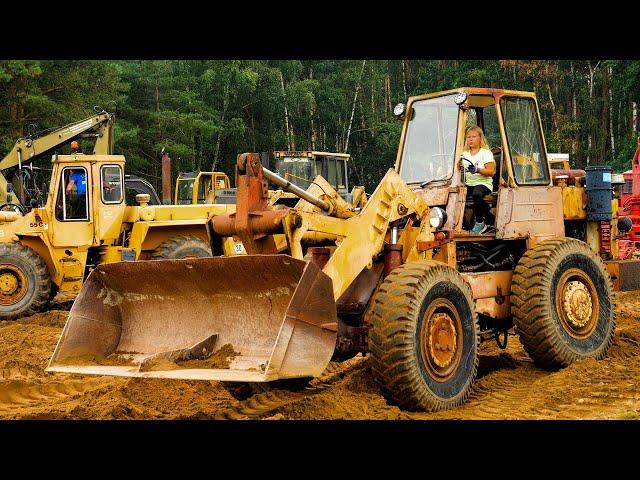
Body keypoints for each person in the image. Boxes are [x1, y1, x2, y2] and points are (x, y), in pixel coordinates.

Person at [461, 126, 496, 234]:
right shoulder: (464, 154)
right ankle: (462, 224)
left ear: (480, 138)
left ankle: (480, 223)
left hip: (483, 184)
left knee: (477, 194)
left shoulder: (485, 153)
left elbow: (491, 172)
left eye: (474, 137)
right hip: (468, 184)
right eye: (468, 137)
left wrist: (478, 170)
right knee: (455, 195)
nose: (470, 139)